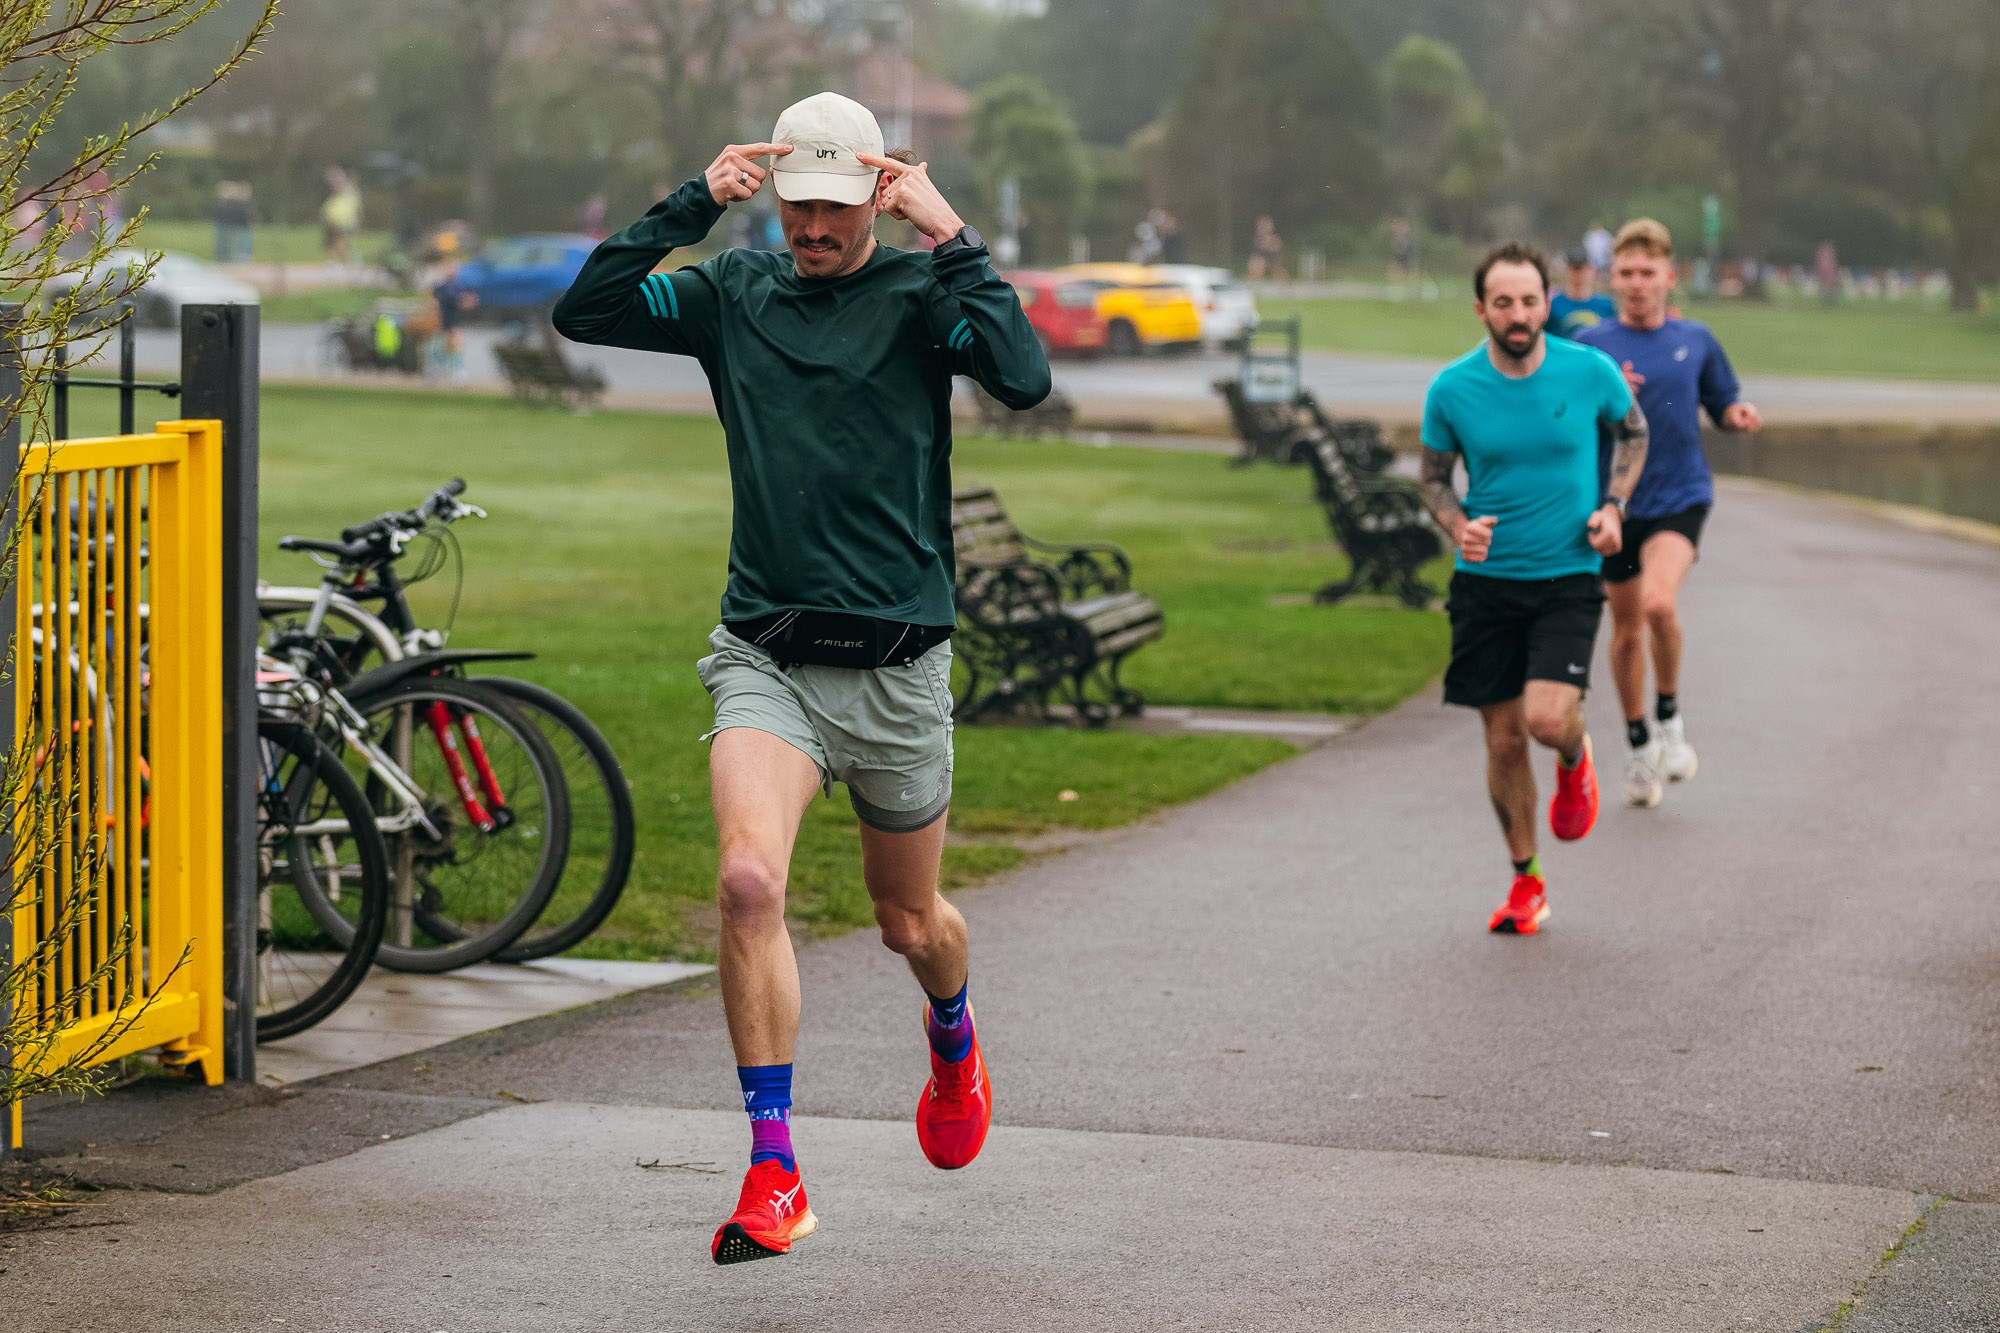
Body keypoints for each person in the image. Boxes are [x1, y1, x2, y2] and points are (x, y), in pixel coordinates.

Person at [551, 91, 1049, 1266]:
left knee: (907, 921)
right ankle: (774, 1168)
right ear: (772, 197)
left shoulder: (926, 296)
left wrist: (951, 233)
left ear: (871, 193)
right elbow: (589, 307)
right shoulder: (732, 294)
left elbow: (1022, 377)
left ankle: (951, 1031)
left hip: (896, 673)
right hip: (767, 656)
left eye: (832, 205)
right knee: (743, 884)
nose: (812, 226)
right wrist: (691, 199)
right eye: (796, 204)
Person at [1417, 243, 1649, 936]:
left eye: (1529, 301)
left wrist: (1614, 508)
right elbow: (1431, 477)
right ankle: (1528, 882)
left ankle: (1577, 758)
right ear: (1481, 308)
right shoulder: (1451, 388)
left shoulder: (1588, 370)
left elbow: (1632, 430)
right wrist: (1459, 526)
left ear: (1549, 302)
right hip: (1485, 586)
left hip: (1568, 576)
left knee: (1546, 722)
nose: (1518, 315)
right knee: (1505, 742)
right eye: (1503, 302)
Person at [1575, 219, 1760, 808]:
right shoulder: (1593, 348)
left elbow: (1721, 398)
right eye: (1626, 273)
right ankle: (1637, 745)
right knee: (1626, 629)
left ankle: (1670, 718)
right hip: (1614, 506)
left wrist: (1736, 414)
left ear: (1669, 277)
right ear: (1613, 278)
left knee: (1659, 602)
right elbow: (1566, 415)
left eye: (1647, 273)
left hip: (1681, 495)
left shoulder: (1697, 339)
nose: (1636, 284)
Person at [1548, 248, 1614, 339]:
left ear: (1592, 270)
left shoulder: (1606, 305)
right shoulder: (1554, 305)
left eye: (1582, 269)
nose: (1578, 275)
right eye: (1574, 269)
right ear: (1567, 271)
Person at [322, 167, 362, 266]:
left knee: (338, 240)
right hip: (336, 219)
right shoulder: (348, 191)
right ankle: (343, 261)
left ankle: (343, 261)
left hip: (342, 219)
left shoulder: (347, 190)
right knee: (335, 241)